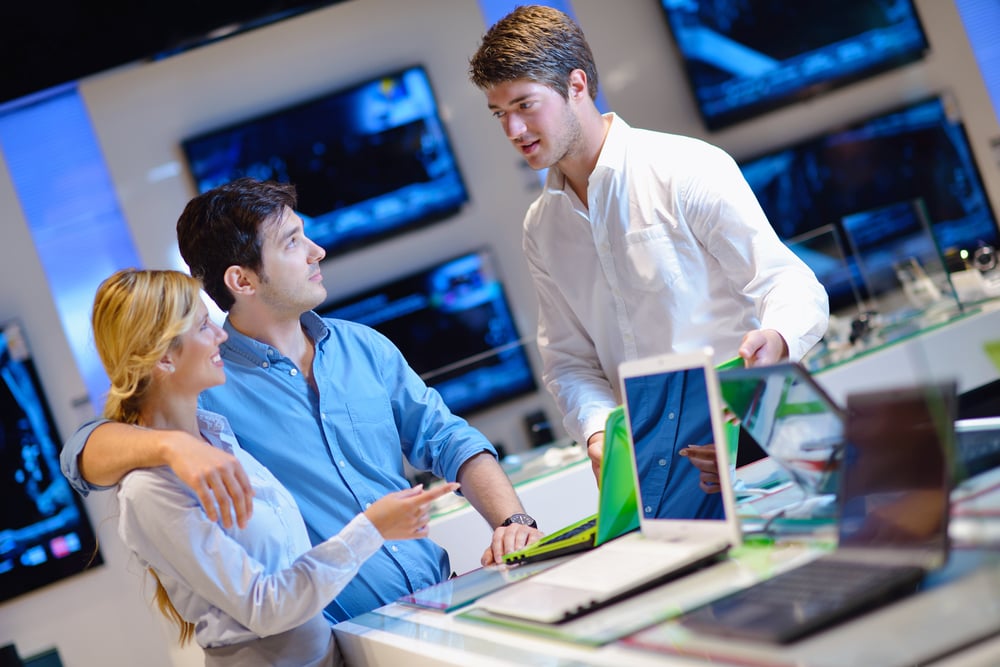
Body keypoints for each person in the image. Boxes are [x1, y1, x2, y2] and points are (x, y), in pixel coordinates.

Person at [61, 178, 543, 624]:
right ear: (242, 281)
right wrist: (172, 447)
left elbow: (448, 439)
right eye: (293, 242)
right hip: (345, 638)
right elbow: (81, 454)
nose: (318, 251)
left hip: (445, 597)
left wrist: (513, 522)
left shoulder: (363, 346)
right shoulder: (205, 386)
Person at [469, 6, 829, 508]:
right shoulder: (541, 228)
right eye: (499, 114)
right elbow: (569, 362)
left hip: (755, 435)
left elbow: (789, 283)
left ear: (576, 85)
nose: (512, 129)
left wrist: (777, 338)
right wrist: (598, 434)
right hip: (658, 468)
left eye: (525, 105)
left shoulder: (686, 168)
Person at [91, 268, 459, 665]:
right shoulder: (150, 490)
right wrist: (371, 529)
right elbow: (266, 607)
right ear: (163, 357)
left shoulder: (217, 434)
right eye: (202, 327)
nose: (220, 335)